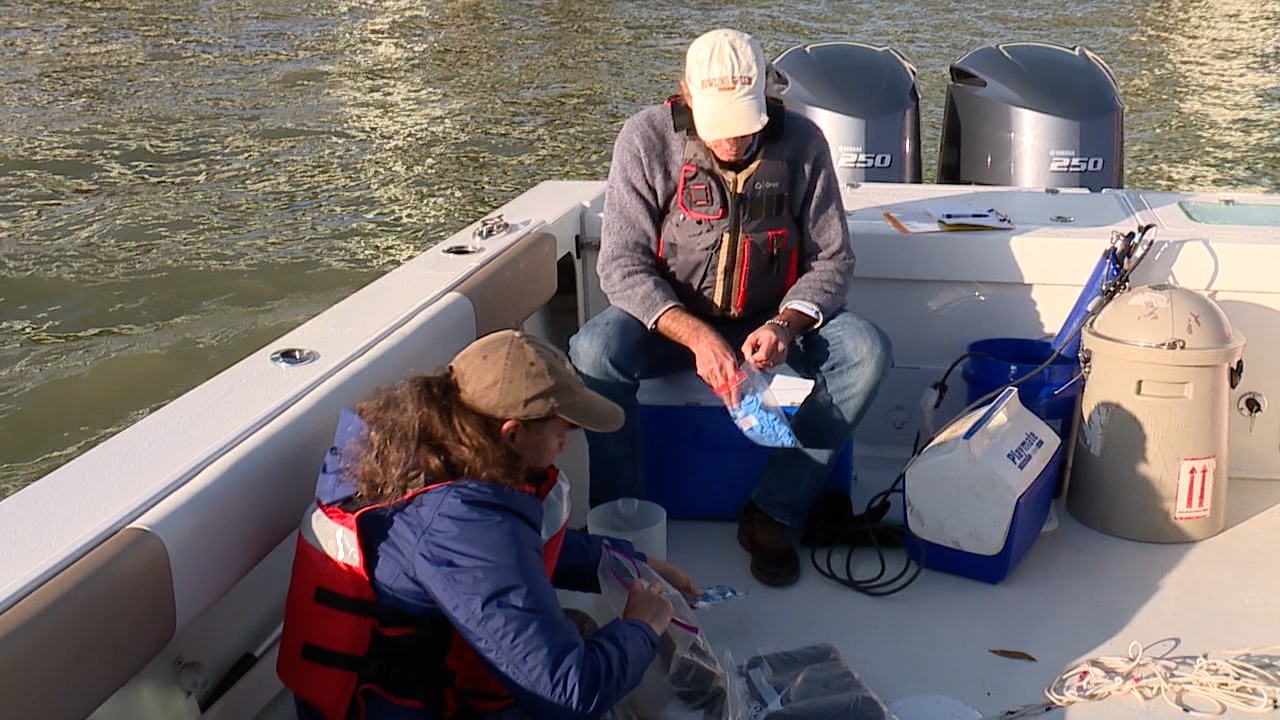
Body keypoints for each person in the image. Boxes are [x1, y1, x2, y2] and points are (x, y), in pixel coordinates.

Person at [568, 28, 891, 588]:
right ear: (686, 96)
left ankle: (773, 509)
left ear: (765, 98)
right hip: (673, 320)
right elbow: (620, 265)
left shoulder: (805, 144)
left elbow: (833, 260)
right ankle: (620, 521)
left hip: (774, 318)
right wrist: (696, 337)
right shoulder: (646, 139)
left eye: (745, 124)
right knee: (593, 352)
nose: (734, 142)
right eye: (720, 125)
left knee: (867, 352)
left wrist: (785, 325)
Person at [277, 329, 701, 720]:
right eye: (561, 431)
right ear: (512, 434)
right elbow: (570, 693)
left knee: (580, 631)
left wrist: (626, 564)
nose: (565, 443)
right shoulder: (461, 523)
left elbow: (519, 553)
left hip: (414, 663)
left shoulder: (438, 450)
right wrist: (643, 628)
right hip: (392, 706)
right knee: (594, 652)